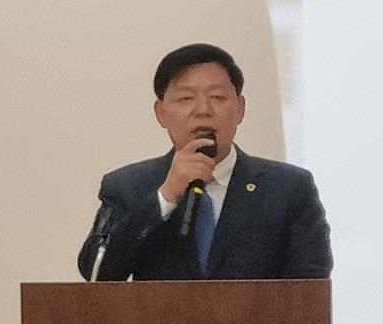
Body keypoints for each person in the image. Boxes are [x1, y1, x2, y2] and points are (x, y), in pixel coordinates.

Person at [78, 43, 332, 281]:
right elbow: (97, 273)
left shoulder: (288, 189)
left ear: (240, 108)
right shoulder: (127, 187)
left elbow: (311, 286)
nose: (203, 110)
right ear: (161, 113)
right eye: (186, 99)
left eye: (217, 97)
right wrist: (165, 197)